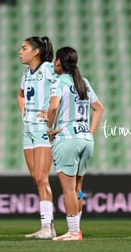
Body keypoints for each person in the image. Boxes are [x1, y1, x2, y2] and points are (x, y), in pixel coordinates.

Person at [46, 46, 104, 241]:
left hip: (67, 140)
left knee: (68, 189)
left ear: (60, 63)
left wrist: (49, 128)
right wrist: (90, 132)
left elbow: (53, 106)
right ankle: (76, 229)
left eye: (55, 61)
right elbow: (99, 108)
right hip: (86, 140)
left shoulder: (59, 81)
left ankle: (73, 232)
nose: (53, 64)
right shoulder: (83, 82)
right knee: (78, 189)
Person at [17, 36, 57, 239]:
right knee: (37, 178)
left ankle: (46, 228)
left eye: (24, 48)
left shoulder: (49, 69)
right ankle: (49, 225)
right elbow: (21, 94)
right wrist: (23, 109)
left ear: (36, 52)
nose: (20, 51)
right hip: (28, 129)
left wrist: (51, 115)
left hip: (43, 129)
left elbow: (64, 91)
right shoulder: (26, 73)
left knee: (42, 178)